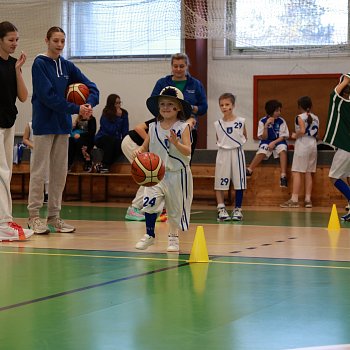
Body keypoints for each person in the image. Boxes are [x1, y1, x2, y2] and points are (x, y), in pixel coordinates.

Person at [27, 26, 99, 234]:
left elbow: (92, 87)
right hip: (43, 124)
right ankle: (33, 217)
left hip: (62, 126)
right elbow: (47, 96)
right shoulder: (39, 64)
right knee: (39, 172)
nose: (59, 45)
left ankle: (54, 216)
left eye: (62, 41)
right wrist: (76, 108)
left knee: (59, 173)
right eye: (55, 41)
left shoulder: (67, 66)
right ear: (47, 40)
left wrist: (88, 106)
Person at [134, 86, 193, 252]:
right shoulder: (153, 127)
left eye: (170, 104)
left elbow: (188, 151)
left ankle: (173, 237)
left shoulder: (183, 127)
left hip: (177, 174)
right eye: (162, 104)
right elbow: (144, 147)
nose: (165, 107)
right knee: (149, 202)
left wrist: (176, 143)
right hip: (157, 173)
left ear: (178, 107)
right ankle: (149, 235)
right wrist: (139, 151)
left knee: (175, 210)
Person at [0, 21, 34, 241]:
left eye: (17, 40)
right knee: (1, 173)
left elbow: (23, 96)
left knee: (6, 173)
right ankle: (3, 223)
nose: (15, 44)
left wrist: (18, 70)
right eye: (11, 40)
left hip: (8, 122)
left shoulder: (13, 64)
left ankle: (5, 221)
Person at [151, 52, 207, 159]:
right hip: (165, 127)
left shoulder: (196, 84)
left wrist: (191, 108)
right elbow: (154, 103)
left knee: (185, 158)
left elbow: (204, 107)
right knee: (163, 158)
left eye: (181, 66)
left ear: (186, 66)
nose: (178, 69)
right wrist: (166, 115)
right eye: (175, 66)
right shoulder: (162, 83)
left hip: (188, 127)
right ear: (171, 67)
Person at [280, 96, 319, 208]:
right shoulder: (316, 117)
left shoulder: (300, 117)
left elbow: (302, 131)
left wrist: (294, 135)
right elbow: (318, 135)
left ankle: (294, 199)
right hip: (313, 145)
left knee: (296, 172)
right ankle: (308, 200)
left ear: (299, 107)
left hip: (303, 144)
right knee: (308, 172)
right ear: (310, 106)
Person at [214, 93, 247, 221]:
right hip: (223, 153)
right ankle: (221, 208)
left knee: (239, 182)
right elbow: (218, 139)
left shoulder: (241, 121)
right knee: (220, 182)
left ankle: (238, 209)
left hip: (237, 152)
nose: (224, 107)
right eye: (221, 105)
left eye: (227, 104)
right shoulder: (217, 124)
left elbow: (245, 136)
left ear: (233, 105)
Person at [323, 73, 350, 221]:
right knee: (347, 176)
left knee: (334, 177)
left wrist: (345, 80)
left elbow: (333, 95)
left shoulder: (343, 105)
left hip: (346, 147)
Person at [246, 99, 289, 187]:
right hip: (266, 141)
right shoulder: (262, 121)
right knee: (262, 150)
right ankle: (249, 170)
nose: (279, 113)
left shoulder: (281, 121)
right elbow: (264, 137)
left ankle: (283, 176)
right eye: (277, 111)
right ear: (271, 111)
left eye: (280, 110)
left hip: (278, 141)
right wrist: (266, 126)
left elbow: (283, 136)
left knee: (283, 150)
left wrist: (274, 143)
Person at [122, 117, 156, 221]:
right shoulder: (161, 119)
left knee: (152, 176)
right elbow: (138, 128)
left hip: (137, 145)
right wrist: (150, 142)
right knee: (149, 176)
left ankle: (146, 207)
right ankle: (134, 208)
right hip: (132, 143)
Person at [94, 94, 129, 173]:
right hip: (102, 138)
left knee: (121, 145)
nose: (118, 105)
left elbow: (125, 130)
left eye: (120, 103)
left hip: (115, 140)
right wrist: (118, 118)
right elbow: (109, 130)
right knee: (110, 141)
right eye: (116, 103)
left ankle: (104, 165)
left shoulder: (124, 113)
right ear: (111, 104)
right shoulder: (106, 113)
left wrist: (125, 141)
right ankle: (105, 164)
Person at [23, 121, 49, 203]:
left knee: (48, 175)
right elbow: (25, 139)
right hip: (34, 153)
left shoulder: (48, 124)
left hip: (47, 152)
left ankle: (47, 194)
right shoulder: (30, 125)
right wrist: (34, 146)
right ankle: (35, 196)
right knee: (35, 174)